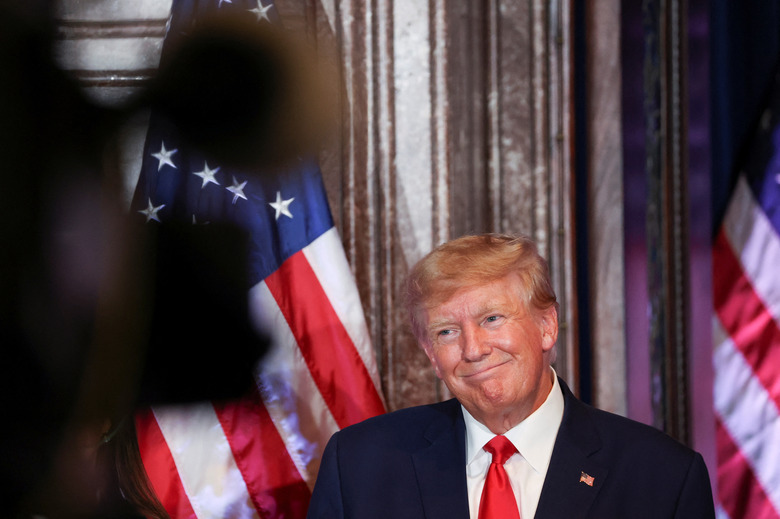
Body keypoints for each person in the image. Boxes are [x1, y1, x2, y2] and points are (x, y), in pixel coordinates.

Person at [306, 233, 715, 519]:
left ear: (546, 326)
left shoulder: (662, 478)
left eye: (492, 319)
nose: (473, 349)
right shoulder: (359, 466)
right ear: (431, 354)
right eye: (447, 332)